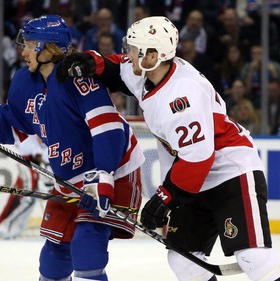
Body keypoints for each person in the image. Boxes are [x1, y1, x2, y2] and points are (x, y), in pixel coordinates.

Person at [57, 16, 280, 281]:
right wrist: (95, 63)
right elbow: (118, 69)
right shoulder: (149, 70)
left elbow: (198, 158)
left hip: (230, 171)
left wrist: (165, 197)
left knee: (252, 256)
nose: (128, 53)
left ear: (152, 55)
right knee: (183, 259)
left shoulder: (182, 95)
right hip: (193, 179)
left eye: (133, 49)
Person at [0, 15, 144, 281]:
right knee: (52, 261)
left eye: (30, 45)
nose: (23, 51)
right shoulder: (24, 81)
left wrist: (103, 178)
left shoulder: (78, 80)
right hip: (69, 177)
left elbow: (108, 130)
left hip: (113, 168)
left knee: (87, 248)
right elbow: (14, 122)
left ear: (48, 49)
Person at [0, 134, 53, 239]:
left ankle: (9, 228)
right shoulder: (31, 140)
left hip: (41, 167)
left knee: (32, 199)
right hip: (28, 162)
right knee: (27, 198)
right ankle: (5, 226)